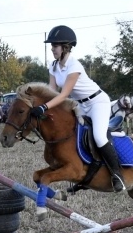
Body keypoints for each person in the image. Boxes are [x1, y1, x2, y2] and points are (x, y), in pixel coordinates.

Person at [30, 25, 125, 192]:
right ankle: (85, 172)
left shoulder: (74, 66)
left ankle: (117, 175)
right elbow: (52, 93)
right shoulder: (53, 66)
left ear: (65, 47)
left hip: (97, 102)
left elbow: (64, 94)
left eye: (55, 45)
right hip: (80, 104)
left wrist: (44, 107)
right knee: (73, 133)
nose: (52, 48)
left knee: (99, 136)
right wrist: (40, 106)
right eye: (52, 45)